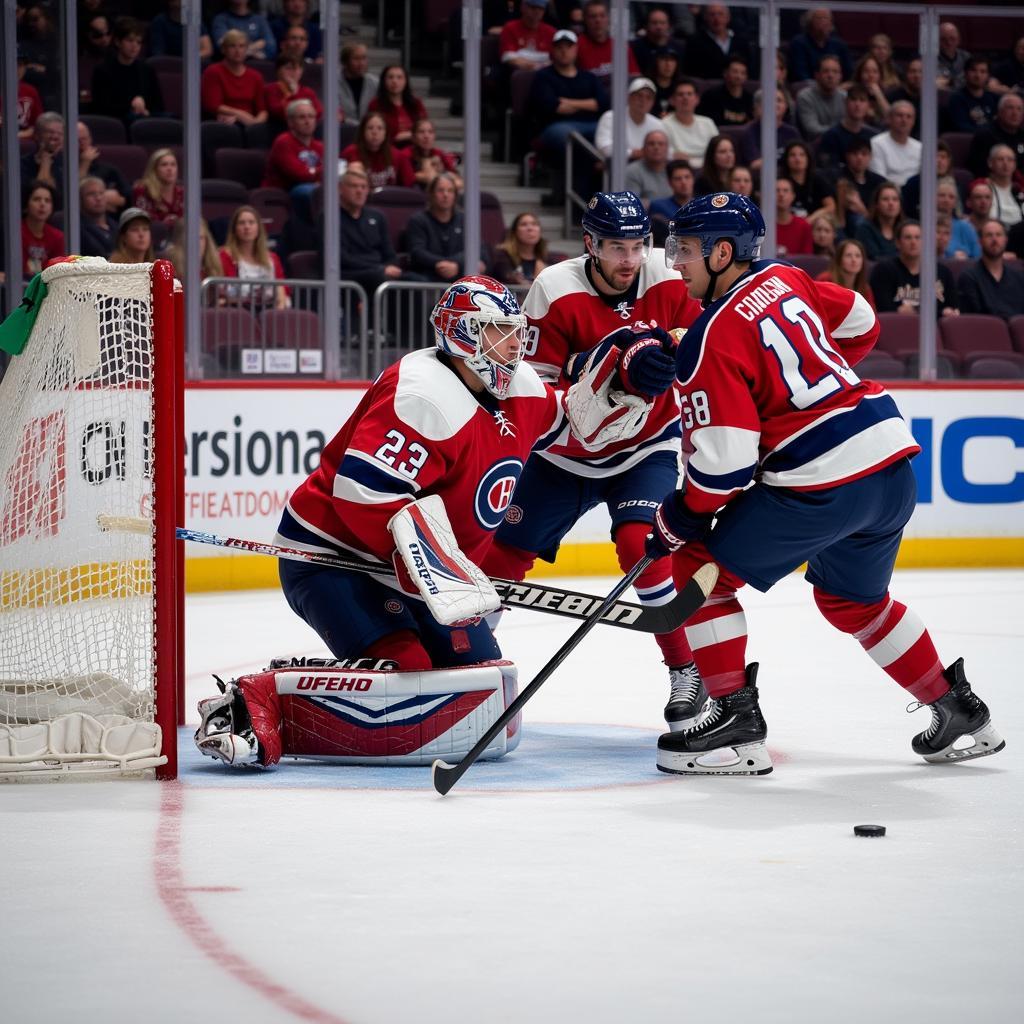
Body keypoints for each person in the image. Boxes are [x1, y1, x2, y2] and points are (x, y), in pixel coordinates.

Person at [191, 275, 669, 769]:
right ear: (460, 335)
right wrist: (429, 569)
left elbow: (576, 422)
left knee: (484, 686)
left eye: (513, 331)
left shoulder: (521, 387)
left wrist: (626, 379)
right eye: (496, 333)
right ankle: (260, 700)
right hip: (336, 560)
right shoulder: (423, 395)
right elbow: (362, 495)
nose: (512, 345)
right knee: (410, 675)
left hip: (420, 571)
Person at [648, 192, 1003, 776]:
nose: (675, 261)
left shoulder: (710, 337)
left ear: (722, 253)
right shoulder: (788, 277)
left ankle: (736, 728)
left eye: (685, 249)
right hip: (890, 466)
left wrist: (677, 518)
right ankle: (957, 708)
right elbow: (862, 319)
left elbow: (723, 470)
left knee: (697, 570)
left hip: (821, 484)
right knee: (852, 600)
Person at [481, 192, 711, 732]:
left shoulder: (669, 276)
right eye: (615, 247)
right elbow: (536, 385)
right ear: (590, 244)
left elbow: (700, 346)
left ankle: (685, 670)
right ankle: (468, 663)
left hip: (644, 448)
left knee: (642, 545)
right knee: (500, 558)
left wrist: (668, 356)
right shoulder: (554, 289)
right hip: (564, 454)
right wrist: (604, 367)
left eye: (637, 246)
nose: (628, 259)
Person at [528, 29, 607, 202]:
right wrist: (588, 104)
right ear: (553, 50)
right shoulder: (543, 76)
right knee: (574, 140)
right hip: (556, 128)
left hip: (593, 127)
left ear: (576, 50)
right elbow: (553, 106)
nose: (564, 51)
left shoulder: (589, 77)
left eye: (568, 47)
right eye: (559, 47)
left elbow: (602, 104)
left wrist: (569, 103)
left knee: (610, 136)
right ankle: (578, 201)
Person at [406, 173, 488, 283]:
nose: (445, 195)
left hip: (460, 279)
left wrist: (457, 265)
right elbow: (417, 252)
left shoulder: (465, 220)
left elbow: (479, 250)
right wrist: (445, 264)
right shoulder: (418, 220)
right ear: (431, 194)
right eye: (440, 190)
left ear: (455, 195)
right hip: (428, 278)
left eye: (450, 191)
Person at [869, 220, 959, 318]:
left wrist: (914, 311)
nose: (913, 242)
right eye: (908, 238)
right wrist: (940, 313)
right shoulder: (883, 271)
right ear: (898, 243)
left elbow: (953, 308)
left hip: (935, 330)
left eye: (918, 237)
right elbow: (884, 309)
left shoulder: (942, 272)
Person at [89, 17, 163, 124]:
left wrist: (146, 111)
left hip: (145, 120)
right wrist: (131, 106)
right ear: (118, 42)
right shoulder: (102, 70)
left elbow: (158, 104)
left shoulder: (147, 70)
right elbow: (101, 107)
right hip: (116, 123)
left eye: (138, 42)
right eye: (130, 40)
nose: (135, 46)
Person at [202, 28, 269, 139]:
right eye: (232, 46)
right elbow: (212, 104)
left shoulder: (256, 76)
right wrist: (241, 116)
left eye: (242, 46)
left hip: (250, 122)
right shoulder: (213, 71)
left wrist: (256, 124)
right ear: (224, 49)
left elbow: (263, 110)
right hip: (223, 121)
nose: (238, 50)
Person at [219, 205, 289, 310]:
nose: (247, 227)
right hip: (237, 311)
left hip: (269, 311)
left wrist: (279, 309)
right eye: (241, 223)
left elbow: (281, 287)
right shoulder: (224, 256)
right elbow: (222, 291)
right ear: (234, 229)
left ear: (258, 228)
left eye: (251, 222)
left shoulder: (272, 258)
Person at [262, 98, 324, 208]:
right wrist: (320, 173)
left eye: (311, 117)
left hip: (312, 187)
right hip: (285, 191)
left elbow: (332, 171)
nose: (307, 121)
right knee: (317, 192)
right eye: (302, 117)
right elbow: (298, 174)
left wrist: (315, 173)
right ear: (290, 122)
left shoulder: (320, 146)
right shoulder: (283, 142)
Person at [957, 220, 1024, 320]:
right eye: (989, 235)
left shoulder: (1019, 278)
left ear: (1006, 240)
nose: (994, 239)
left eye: (998, 235)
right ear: (980, 241)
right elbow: (973, 319)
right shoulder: (969, 277)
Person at [340, 112, 416, 189]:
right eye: (370, 128)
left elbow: (411, 186)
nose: (375, 132)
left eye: (380, 128)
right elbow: (338, 183)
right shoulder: (349, 153)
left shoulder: (398, 156)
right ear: (363, 132)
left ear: (385, 133)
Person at [594, 78, 662, 162]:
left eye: (648, 98)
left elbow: (666, 150)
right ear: (629, 98)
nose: (643, 101)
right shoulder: (610, 117)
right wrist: (633, 153)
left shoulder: (658, 124)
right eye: (639, 96)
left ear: (653, 102)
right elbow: (604, 147)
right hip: (618, 168)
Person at [575, 1, 639, 86]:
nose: (598, 20)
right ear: (585, 19)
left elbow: (635, 76)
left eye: (602, 16)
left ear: (608, 19)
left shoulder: (620, 46)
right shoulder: (576, 46)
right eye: (593, 16)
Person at [815, 85, 879, 171]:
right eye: (853, 99)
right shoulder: (831, 136)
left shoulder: (875, 137)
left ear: (868, 106)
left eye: (862, 100)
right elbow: (828, 170)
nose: (857, 104)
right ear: (845, 103)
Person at [737, 88, 801, 174]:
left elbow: (800, 159)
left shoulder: (792, 132)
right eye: (770, 100)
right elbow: (755, 164)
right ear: (759, 107)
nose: (775, 104)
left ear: (786, 106)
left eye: (779, 100)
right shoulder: (748, 132)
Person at [660, 79, 718, 172]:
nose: (685, 98)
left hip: (709, 171)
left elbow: (717, 150)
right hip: (680, 171)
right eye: (680, 94)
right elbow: (666, 154)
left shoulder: (708, 123)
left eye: (689, 94)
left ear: (697, 99)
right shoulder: (663, 124)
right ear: (672, 100)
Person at [684, 4, 754, 81]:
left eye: (720, 14)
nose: (716, 18)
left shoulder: (741, 42)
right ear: (705, 17)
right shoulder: (694, 42)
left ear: (728, 17)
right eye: (712, 14)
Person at [967, 94, 1024, 181]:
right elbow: (977, 169)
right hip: (992, 185)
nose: (1015, 113)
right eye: (1010, 108)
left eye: (1019, 109)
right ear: (1000, 112)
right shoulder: (985, 135)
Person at [369, 65, 428, 149]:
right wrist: (398, 137)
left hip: (415, 149)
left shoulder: (416, 103)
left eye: (399, 77)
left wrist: (410, 135)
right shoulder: (376, 105)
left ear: (406, 81)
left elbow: (425, 128)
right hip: (387, 150)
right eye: (390, 77)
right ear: (384, 81)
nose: (395, 81)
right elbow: (373, 133)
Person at [788, 8, 852, 82]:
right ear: (810, 22)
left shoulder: (839, 44)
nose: (824, 22)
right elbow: (800, 74)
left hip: (836, 87)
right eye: (819, 18)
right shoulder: (799, 42)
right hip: (808, 86)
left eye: (826, 18)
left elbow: (849, 72)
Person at [779, 139, 835, 223]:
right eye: (792, 155)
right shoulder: (781, 182)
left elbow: (830, 206)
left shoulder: (817, 179)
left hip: (813, 223)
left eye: (802, 155)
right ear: (786, 159)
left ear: (808, 158)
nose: (797, 158)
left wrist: (810, 220)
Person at [869, 101, 922, 188]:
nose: (904, 120)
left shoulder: (920, 148)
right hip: (888, 196)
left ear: (913, 122)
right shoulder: (876, 144)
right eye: (899, 115)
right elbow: (879, 180)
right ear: (889, 119)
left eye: (909, 117)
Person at [796, 55, 847, 141]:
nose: (830, 75)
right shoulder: (805, 97)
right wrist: (843, 131)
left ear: (840, 76)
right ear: (817, 75)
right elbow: (812, 130)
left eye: (835, 72)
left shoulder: (845, 97)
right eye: (826, 71)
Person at [265, 55, 322, 130]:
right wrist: (293, 94)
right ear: (278, 71)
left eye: (297, 68)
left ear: (301, 71)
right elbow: (280, 113)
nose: (293, 72)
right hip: (279, 129)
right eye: (288, 68)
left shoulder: (308, 91)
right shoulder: (270, 89)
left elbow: (318, 112)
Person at [20, 180, 64, 279]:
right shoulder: (14, 232)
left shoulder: (57, 236)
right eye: (36, 199)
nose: (42, 204)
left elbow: (58, 273)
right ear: (26, 204)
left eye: (47, 200)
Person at [491, 212, 550, 285]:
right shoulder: (502, 256)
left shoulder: (546, 258)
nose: (530, 228)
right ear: (515, 232)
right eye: (523, 224)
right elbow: (506, 277)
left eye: (534, 224)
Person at [817, 238, 875, 309]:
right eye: (848, 255)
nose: (854, 260)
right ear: (839, 259)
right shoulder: (825, 279)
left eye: (858, 256)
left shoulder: (865, 289)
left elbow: (871, 316)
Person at [499, 0, 555, 73]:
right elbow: (508, 57)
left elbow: (556, 59)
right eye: (533, 8)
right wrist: (536, 66)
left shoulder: (550, 31)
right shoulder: (510, 27)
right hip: (516, 73)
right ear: (523, 7)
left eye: (541, 9)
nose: (537, 12)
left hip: (545, 75)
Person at [946, 57, 999, 134]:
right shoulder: (956, 99)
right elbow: (962, 128)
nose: (978, 75)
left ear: (988, 76)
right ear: (965, 73)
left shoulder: (995, 98)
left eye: (983, 72)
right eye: (973, 70)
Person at [166, 215, 222, 288]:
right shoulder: (170, 269)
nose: (197, 243)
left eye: (201, 238)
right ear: (181, 241)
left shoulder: (212, 268)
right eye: (193, 237)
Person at [131, 148, 184, 225]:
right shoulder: (142, 190)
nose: (170, 169)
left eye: (173, 164)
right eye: (164, 165)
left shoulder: (182, 192)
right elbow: (143, 222)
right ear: (154, 169)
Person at [696, 57, 754, 127]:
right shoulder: (711, 96)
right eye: (735, 72)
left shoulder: (750, 98)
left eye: (743, 73)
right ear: (725, 73)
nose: (739, 76)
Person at [211, 0, 277, 61]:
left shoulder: (259, 20)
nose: (239, 50)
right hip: (229, 66)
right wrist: (256, 46)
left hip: (256, 66)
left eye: (241, 46)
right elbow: (222, 46)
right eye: (239, 46)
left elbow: (271, 48)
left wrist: (238, 49)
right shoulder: (221, 19)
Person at [408, 119, 463, 191]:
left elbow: (459, 182)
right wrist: (428, 164)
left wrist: (442, 171)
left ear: (434, 136)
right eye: (421, 132)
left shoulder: (439, 153)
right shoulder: (406, 154)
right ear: (413, 137)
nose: (426, 136)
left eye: (430, 132)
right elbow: (425, 177)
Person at [148, 0, 213, 60]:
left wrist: (189, 59)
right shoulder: (160, 22)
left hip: (193, 64)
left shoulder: (193, 20)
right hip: (169, 66)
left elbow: (207, 50)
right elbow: (158, 54)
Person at [854, 181, 903, 261]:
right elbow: (874, 259)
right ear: (877, 204)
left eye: (895, 199)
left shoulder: (905, 229)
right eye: (885, 199)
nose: (891, 203)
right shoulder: (865, 229)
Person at [631, 5, 684, 78]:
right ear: (646, 26)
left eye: (662, 23)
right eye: (654, 23)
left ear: (669, 25)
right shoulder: (635, 47)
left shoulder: (678, 48)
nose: (659, 27)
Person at [624, 130, 673, 207]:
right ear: (643, 148)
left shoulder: (675, 169)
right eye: (651, 144)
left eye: (661, 144)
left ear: (667, 149)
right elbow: (631, 203)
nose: (656, 147)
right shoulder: (632, 171)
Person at [936, 181, 980, 259]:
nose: (946, 200)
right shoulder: (924, 226)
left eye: (951, 197)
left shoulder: (967, 227)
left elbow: (978, 257)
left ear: (956, 202)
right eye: (942, 195)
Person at [984, 146, 1024, 231]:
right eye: (1000, 159)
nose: (1005, 163)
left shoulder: (1019, 189)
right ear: (990, 163)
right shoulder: (983, 187)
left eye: (1010, 160)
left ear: (1015, 165)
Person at [845, 55, 891, 128]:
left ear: (880, 75)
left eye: (875, 72)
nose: (870, 75)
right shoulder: (850, 91)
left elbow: (891, 118)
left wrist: (878, 93)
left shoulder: (888, 93)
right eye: (866, 71)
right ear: (860, 74)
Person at [78, 176, 118, 258]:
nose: (98, 198)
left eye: (101, 193)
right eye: (91, 194)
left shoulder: (117, 226)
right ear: (80, 199)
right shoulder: (77, 229)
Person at [340, 42, 378, 124]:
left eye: (364, 58)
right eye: (356, 59)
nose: (361, 63)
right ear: (345, 61)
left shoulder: (375, 83)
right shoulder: (333, 84)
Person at [774, 177, 813, 256]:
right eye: (777, 190)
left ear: (793, 196)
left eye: (785, 191)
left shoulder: (803, 226)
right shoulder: (761, 226)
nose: (781, 194)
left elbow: (807, 259)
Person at [936, 21, 970, 90]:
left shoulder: (966, 57)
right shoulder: (931, 59)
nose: (949, 43)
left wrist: (950, 82)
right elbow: (935, 84)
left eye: (952, 38)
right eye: (943, 39)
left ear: (958, 40)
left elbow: (974, 79)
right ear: (936, 41)